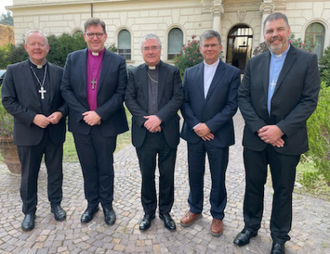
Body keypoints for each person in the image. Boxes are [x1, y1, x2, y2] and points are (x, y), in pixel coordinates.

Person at [233, 12, 320, 254]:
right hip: (256, 138)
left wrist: (280, 129)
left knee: (283, 189)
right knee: (253, 185)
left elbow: (309, 101)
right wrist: (260, 129)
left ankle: (279, 237)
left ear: (288, 31)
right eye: (270, 31)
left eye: (279, 29)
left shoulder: (306, 60)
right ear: (264, 35)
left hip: (287, 140)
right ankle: (250, 227)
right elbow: (244, 97)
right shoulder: (255, 62)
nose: (275, 35)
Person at [61, 17, 128, 226]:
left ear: (105, 36)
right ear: (85, 37)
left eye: (99, 34)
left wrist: (99, 113)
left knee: (106, 166)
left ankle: (107, 205)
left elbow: (120, 93)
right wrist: (84, 114)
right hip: (82, 125)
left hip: (106, 124)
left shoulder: (117, 61)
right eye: (91, 34)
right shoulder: (73, 58)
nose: (95, 37)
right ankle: (92, 204)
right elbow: (66, 89)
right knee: (88, 166)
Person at [1, 30, 68, 231]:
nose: (37, 48)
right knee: (29, 175)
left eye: (41, 44)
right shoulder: (14, 70)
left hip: (54, 132)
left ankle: (56, 205)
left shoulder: (58, 71)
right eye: (33, 44)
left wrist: (60, 113)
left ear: (47, 48)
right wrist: (33, 118)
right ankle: (29, 211)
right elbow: (8, 101)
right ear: (26, 47)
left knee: (56, 172)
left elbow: (68, 101)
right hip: (28, 133)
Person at [180, 30, 240, 236]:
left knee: (218, 176)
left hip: (218, 135)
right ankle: (195, 209)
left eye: (213, 45)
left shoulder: (232, 73)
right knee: (195, 174)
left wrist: (210, 126)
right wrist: (197, 126)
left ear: (220, 47)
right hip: (194, 134)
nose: (210, 48)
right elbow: (184, 102)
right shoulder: (190, 73)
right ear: (200, 49)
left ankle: (217, 214)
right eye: (206, 45)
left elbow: (232, 105)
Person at [125, 34, 183, 231]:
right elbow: (129, 99)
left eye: (154, 47)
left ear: (160, 49)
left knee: (167, 175)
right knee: (147, 175)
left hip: (167, 132)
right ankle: (148, 212)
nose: (150, 51)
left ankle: (165, 212)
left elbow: (177, 98)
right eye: (146, 48)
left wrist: (159, 118)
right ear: (142, 51)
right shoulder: (134, 73)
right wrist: (146, 121)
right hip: (144, 134)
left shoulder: (173, 71)